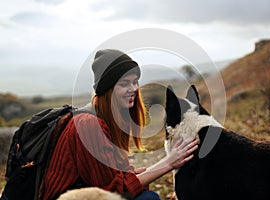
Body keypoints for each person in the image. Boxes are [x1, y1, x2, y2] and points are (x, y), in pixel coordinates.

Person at [40, 49, 199, 200]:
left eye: (135, 82)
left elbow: (111, 179)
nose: (134, 89)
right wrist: (169, 162)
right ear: (107, 89)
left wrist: (133, 176)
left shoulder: (111, 120)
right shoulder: (88, 124)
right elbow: (113, 191)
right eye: (124, 84)